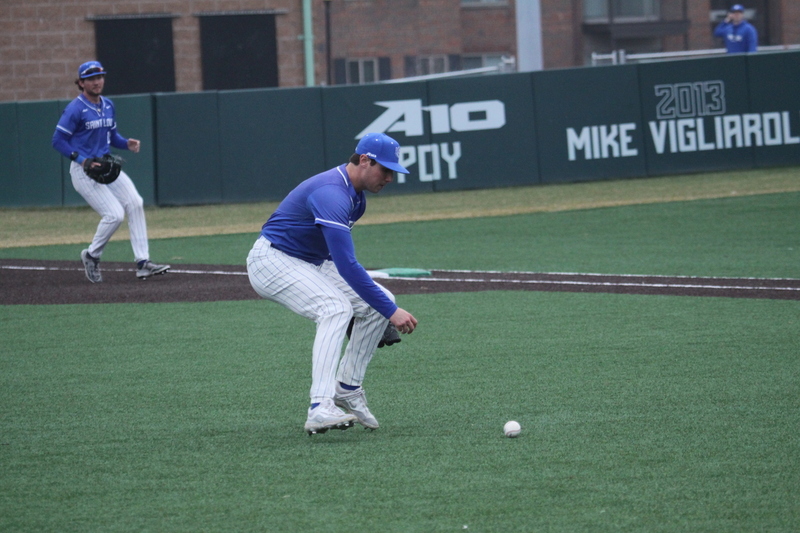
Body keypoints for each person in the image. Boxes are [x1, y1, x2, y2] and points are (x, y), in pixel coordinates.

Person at [247, 132, 418, 435]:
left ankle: (348, 387)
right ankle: (320, 407)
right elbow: (347, 265)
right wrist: (391, 312)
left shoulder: (357, 199)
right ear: (365, 161)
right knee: (335, 308)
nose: (390, 178)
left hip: (307, 260)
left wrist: (379, 307)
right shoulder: (331, 193)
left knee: (380, 298)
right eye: (386, 170)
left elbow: (333, 261)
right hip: (271, 260)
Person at [52, 61, 170, 283]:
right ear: (81, 83)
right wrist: (82, 160)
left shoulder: (107, 105)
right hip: (83, 170)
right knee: (114, 215)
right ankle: (91, 255)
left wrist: (126, 143)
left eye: (100, 77)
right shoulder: (75, 109)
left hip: (105, 166)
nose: (96, 82)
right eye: (91, 78)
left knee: (135, 202)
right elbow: (57, 140)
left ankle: (143, 263)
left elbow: (111, 135)